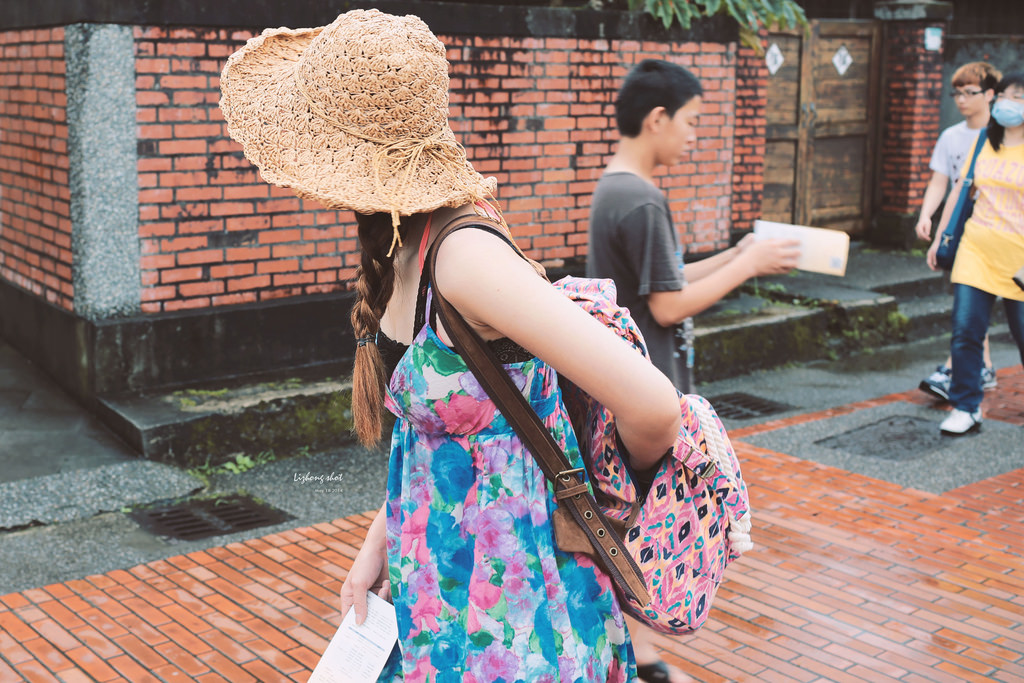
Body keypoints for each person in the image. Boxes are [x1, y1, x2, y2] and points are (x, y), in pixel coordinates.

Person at [220, 9, 682, 681]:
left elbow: (655, 407)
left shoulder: (464, 255)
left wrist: (613, 494)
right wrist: (376, 545)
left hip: (515, 608)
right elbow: (438, 431)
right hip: (439, 582)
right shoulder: (408, 239)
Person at [586, 59, 799, 683]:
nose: (694, 136)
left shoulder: (614, 186)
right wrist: (750, 266)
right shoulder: (643, 201)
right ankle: (642, 657)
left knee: (624, 518)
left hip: (627, 384)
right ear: (658, 119)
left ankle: (638, 654)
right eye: (692, 122)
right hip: (650, 391)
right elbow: (669, 304)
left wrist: (738, 252)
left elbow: (665, 281)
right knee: (653, 524)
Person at [925, 71, 1024, 435]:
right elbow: (959, 190)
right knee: (965, 331)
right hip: (977, 250)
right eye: (1009, 96)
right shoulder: (984, 141)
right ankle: (966, 406)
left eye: (1021, 97)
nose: (1012, 104)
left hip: (1020, 261)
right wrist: (940, 237)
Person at [915, 62, 1003, 401]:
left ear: (990, 95)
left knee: (976, 303)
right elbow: (942, 181)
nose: (962, 100)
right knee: (970, 301)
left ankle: (960, 368)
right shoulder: (951, 136)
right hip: (959, 229)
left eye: (970, 92)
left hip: (996, 231)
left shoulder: (1004, 138)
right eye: (957, 93)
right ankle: (979, 367)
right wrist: (928, 218)